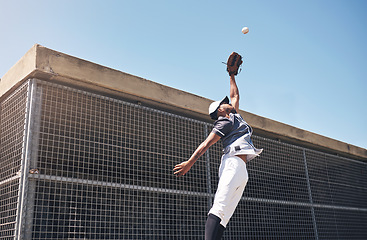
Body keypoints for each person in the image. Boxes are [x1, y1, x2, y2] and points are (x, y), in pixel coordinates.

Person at [173, 55, 263, 240]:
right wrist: (190, 163)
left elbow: (235, 95)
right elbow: (206, 144)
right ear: (219, 111)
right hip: (231, 164)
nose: (227, 102)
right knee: (219, 207)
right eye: (223, 103)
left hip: (242, 170)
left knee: (225, 217)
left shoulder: (234, 115)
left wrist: (231, 75)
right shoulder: (223, 122)